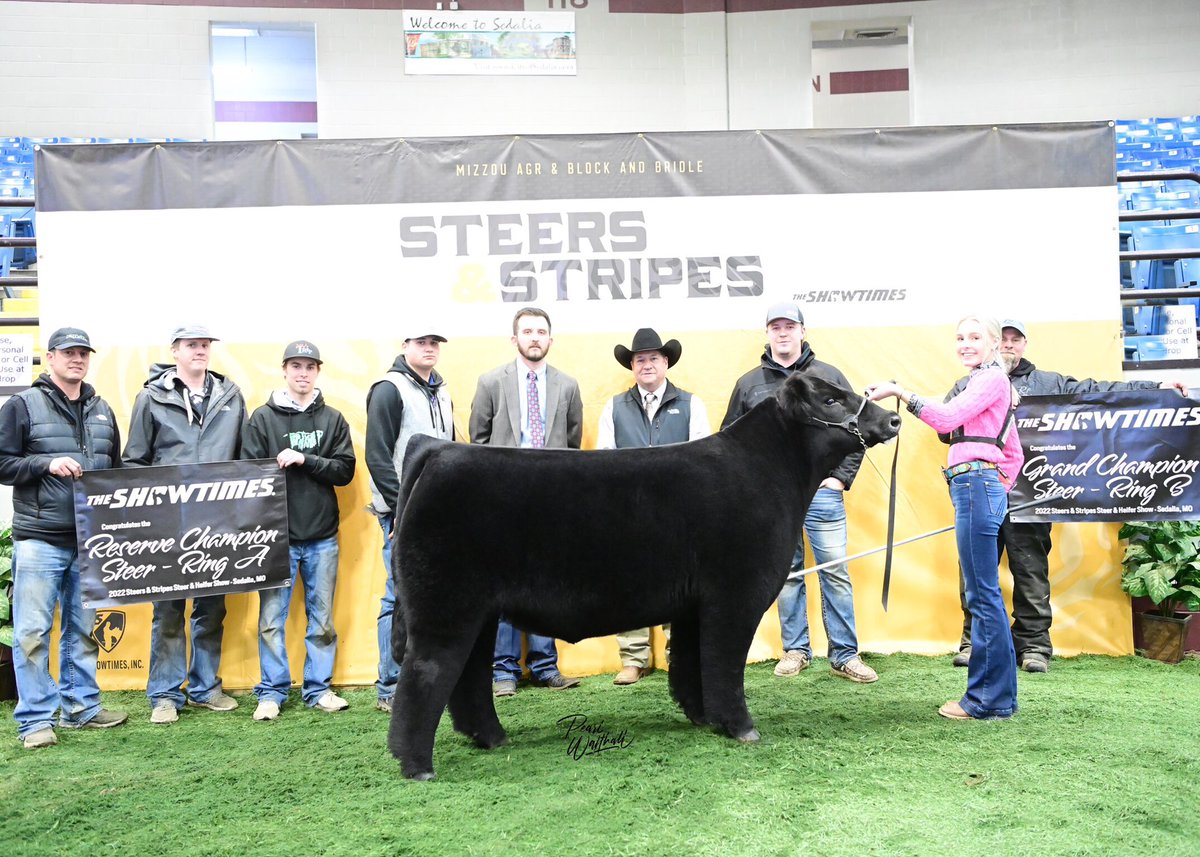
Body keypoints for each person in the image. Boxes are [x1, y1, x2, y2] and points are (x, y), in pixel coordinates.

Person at [945, 318, 1189, 673]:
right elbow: (945, 429)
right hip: (982, 491)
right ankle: (974, 642)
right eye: (1004, 340)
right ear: (995, 344)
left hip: (1032, 495)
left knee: (1030, 571)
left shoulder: (1050, 383)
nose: (1009, 346)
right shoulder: (967, 384)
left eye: (1017, 339)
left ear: (1024, 344)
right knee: (974, 573)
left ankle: (1034, 647)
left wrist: (1155, 385)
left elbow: (1099, 393)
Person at [867, 314, 1024, 720]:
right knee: (984, 594)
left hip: (974, 487)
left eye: (975, 337)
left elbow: (946, 418)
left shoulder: (989, 380)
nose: (966, 343)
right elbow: (1014, 454)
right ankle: (999, 698)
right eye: (960, 337)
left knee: (981, 596)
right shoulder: (987, 381)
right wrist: (997, 487)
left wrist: (898, 392)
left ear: (993, 344)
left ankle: (984, 701)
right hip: (976, 487)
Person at [721, 303, 878, 684]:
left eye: (789, 326)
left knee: (834, 569)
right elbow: (730, 440)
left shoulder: (828, 378)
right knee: (786, 572)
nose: (783, 333)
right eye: (776, 327)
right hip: (772, 500)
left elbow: (856, 427)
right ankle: (795, 650)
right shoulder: (749, 384)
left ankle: (844, 654)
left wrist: (839, 478)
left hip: (822, 494)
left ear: (803, 331)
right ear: (767, 334)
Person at [0, 327, 128, 748]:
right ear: (50, 357)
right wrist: (45, 463)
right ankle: (36, 720)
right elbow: (3, 464)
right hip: (39, 537)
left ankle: (81, 708)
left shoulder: (102, 409)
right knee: (33, 632)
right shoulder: (23, 405)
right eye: (69, 353)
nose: (77, 359)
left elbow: (116, 470)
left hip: (90, 538)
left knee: (84, 628)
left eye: (83, 353)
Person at [123, 324, 248, 724]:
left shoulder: (230, 395)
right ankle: (164, 695)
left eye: (205, 345)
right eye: (192, 345)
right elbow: (134, 460)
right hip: (167, 524)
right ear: (175, 350)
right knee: (169, 610)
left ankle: (205, 687)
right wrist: (146, 517)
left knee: (212, 609)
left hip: (217, 523)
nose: (200, 351)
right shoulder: (152, 396)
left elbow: (244, 459)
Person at [470, 308, 584, 697]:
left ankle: (544, 665)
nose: (535, 337)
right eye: (527, 331)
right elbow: (478, 441)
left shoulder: (568, 386)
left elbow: (572, 444)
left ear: (550, 339)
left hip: (552, 501)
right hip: (503, 499)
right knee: (501, 584)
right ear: (514, 338)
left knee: (547, 584)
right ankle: (503, 671)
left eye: (541, 332)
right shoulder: (491, 383)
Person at [244, 340, 356, 721]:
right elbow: (249, 475)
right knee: (271, 621)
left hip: (323, 536)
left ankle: (318, 688)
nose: (303, 373)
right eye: (296, 366)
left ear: (318, 372)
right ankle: (272, 692)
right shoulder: (262, 418)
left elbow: (345, 471)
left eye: (309, 366)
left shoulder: (333, 419)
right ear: (284, 370)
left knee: (322, 620)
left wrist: (305, 459)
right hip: (276, 539)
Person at [596, 327, 710, 685]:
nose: (647, 365)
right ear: (632, 365)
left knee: (681, 584)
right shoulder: (614, 407)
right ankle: (633, 658)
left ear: (666, 363)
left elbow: (704, 461)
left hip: (680, 515)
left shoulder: (692, 404)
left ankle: (681, 653)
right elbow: (604, 462)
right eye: (640, 359)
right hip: (629, 513)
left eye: (653, 358)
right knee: (629, 583)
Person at [365, 326, 454, 713]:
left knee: (431, 598)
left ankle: (427, 679)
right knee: (396, 596)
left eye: (434, 343)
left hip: (438, 511)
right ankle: (389, 684)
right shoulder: (389, 389)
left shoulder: (441, 389)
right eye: (422, 342)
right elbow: (377, 455)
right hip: (405, 513)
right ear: (405, 346)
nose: (430, 348)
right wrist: (401, 509)